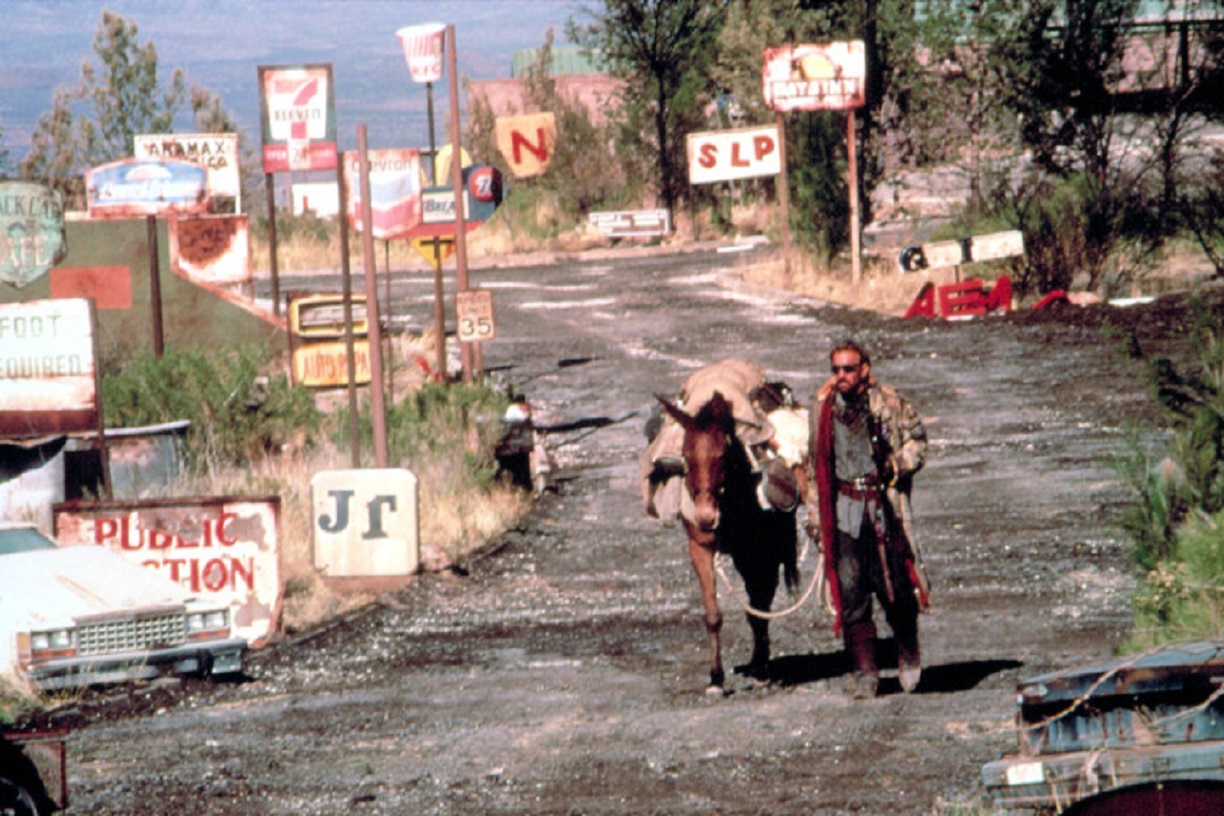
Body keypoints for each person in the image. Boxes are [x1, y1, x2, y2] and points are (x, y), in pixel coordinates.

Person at [807, 340, 929, 698]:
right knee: (852, 591)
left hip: (882, 507)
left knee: (895, 586)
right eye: (836, 370)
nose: (841, 376)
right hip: (843, 510)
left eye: (848, 368)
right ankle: (865, 671)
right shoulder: (822, 411)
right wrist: (815, 519)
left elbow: (919, 444)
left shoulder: (890, 403)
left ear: (864, 369)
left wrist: (896, 465)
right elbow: (815, 468)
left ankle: (907, 654)